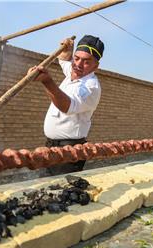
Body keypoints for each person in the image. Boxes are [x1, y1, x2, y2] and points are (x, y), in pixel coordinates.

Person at [29, 35, 104, 176]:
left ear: (96, 66)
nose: (78, 64)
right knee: (44, 189)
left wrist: (47, 81)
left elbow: (67, 106)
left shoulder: (90, 87)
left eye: (86, 61)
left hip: (70, 152)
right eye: (77, 58)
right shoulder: (74, 72)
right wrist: (67, 49)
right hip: (50, 147)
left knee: (63, 192)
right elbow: (64, 60)